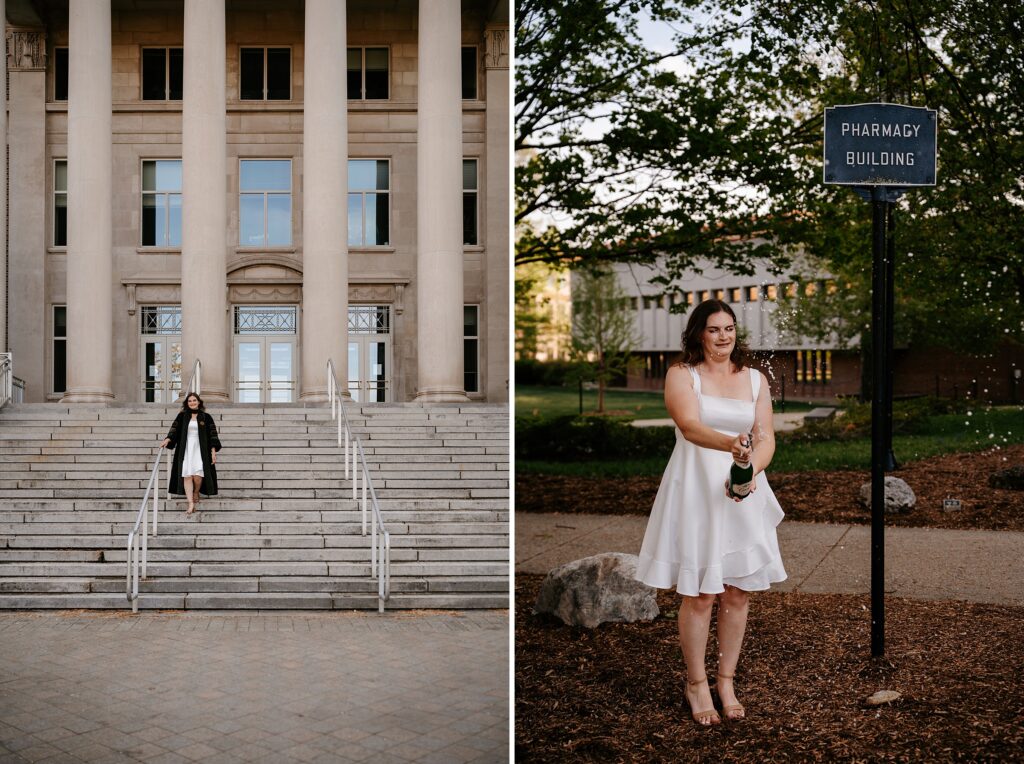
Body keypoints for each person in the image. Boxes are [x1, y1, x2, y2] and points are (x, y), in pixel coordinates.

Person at [635, 299, 787, 726]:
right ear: (699, 333)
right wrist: (730, 446)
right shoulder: (682, 374)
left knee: (737, 591)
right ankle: (696, 683)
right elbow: (689, 426)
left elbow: (767, 437)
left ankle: (726, 680)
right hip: (697, 490)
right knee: (701, 594)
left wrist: (749, 471)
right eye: (715, 329)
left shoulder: (755, 379)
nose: (724, 336)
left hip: (741, 492)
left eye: (730, 328)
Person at [159, 392, 222, 515]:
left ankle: (195, 492)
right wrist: (168, 439)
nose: (192, 402)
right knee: (187, 475)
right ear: (187, 403)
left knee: (198, 476)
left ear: (199, 402)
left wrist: (213, 452)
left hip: (200, 450)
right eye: (189, 401)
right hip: (186, 449)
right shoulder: (182, 416)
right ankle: (190, 503)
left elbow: (213, 435)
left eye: (194, 400)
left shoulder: (206, 417)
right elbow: (174, 430)